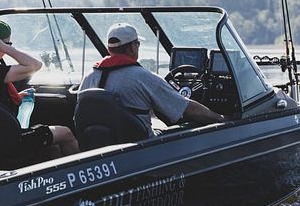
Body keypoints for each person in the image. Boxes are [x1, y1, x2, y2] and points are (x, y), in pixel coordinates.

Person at [0, 19, 79, 159]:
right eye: (7, 43)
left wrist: (16, 97)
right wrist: (5, 47)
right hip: (8, 141)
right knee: (65, 133)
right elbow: (35, 65)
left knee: (52, 147)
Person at [79, 23, 224, 136]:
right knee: (190, 127)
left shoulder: (89, 76)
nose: (137, 47)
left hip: (102, 145)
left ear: (109, 49)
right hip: (139, 146)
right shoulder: (143, 77)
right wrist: (222, 119)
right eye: (137, 43)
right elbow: (191, 110)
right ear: (131, 48)